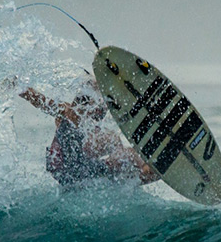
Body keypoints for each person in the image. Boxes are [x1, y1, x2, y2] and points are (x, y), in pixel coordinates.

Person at [18, 77, 159, 187]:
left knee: (115, 144)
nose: (102, 110)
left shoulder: (74, 117)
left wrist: (19, 87)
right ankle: (143, 173)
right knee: (128, 154)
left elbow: (38, 100)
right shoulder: (68, 113)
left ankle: (131, 176)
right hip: (72, 169)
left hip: (67, 172)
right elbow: (40, 101)